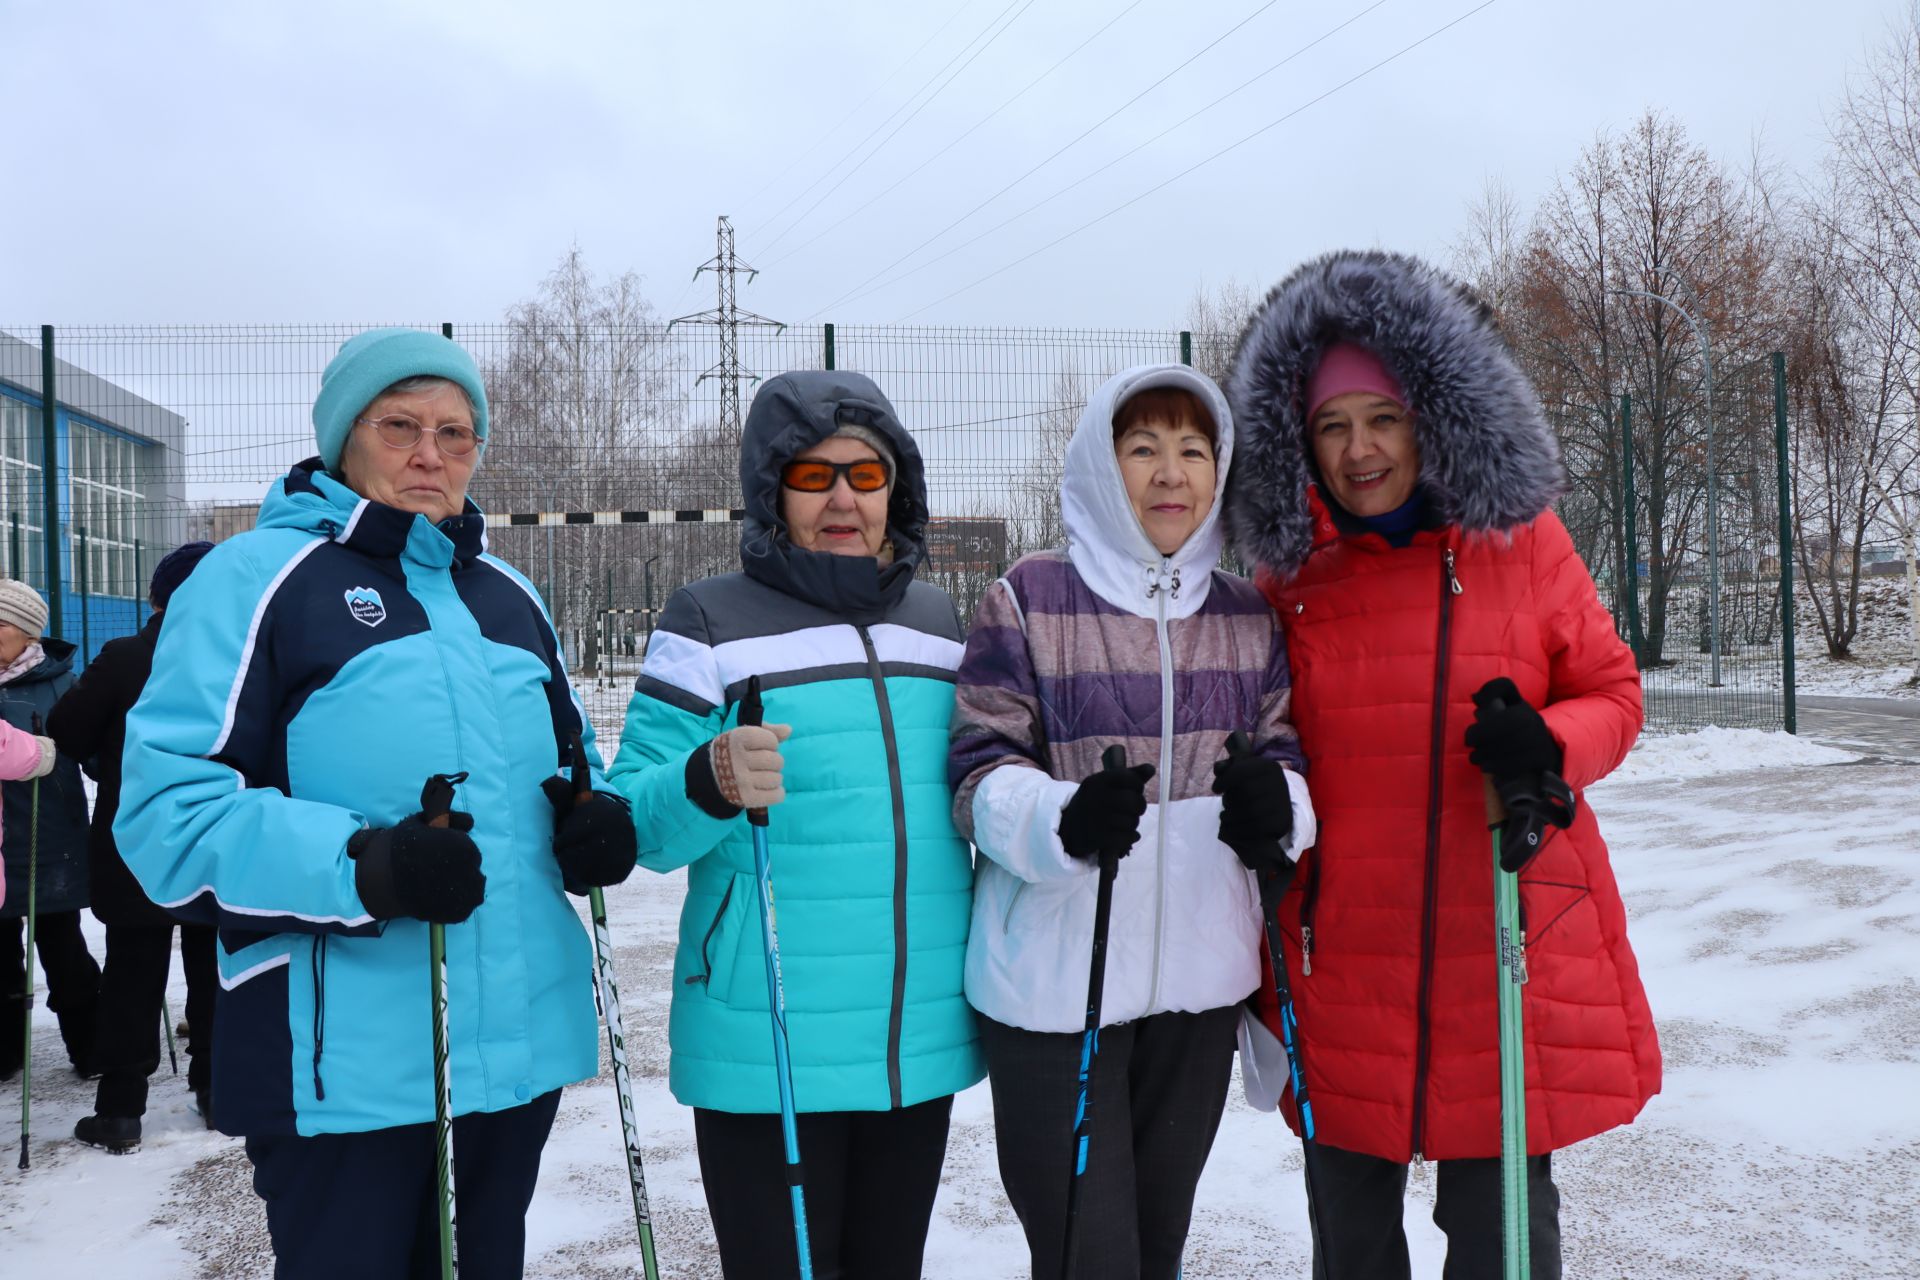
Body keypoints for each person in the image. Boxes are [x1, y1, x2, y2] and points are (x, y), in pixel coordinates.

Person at [114, 328, 637, 1279]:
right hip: (343, 1073)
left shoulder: (509, 591)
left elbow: (574, 762)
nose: (431, 454)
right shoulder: (252, 579)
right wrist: (366, 866)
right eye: (400, 425)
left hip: (511, 1055)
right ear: (341, 438)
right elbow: (168, 819)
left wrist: (586, 820)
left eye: (456, 432)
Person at [1225, 249, 1661, 1279]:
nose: (1361, 448)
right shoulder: (1286, 578)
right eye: (1332, 425)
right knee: (1352, 1242)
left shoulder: (1526, 542)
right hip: (1342, 955)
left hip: (1502, 941)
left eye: (1382, 417)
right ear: (1301, 440)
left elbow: (1616, 693)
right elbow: (1254, 736)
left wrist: (1547, 744)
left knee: (1505, 1238)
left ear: (1430, 413)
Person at [609, 370, 983, 1279]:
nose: (845, 499)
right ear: (773, 492)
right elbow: (630, 824)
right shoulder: (709, 619)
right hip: (770, 1034)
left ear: (900, 488)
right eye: (814, 478)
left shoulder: (937, 622)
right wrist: (707, 779)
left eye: (867, 474)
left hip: (913, 1033)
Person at [948, 365, 1314, 1280]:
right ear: (1102, 465)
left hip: (1196, 986)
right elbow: (978, 767)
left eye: (1192, 449)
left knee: (1156, 1247)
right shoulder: (1030, 598)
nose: (1169, 472)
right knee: (1087, 1253)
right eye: (1142, 447)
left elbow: (1284, 753)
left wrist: (1282, 806)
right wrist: (1060, 820)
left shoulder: (1246, 615)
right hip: (1055, 987)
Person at [52, 540, 220, 1153]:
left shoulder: (126, 657)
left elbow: (67, 733)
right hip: (214, 833)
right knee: (213, 964)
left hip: (137, 841)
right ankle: (217, 1089)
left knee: (133, 969)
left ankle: (121, 1109)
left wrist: (110, 761)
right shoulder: (235, 659)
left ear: (157, 597)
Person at [0, 578, 100, 1082]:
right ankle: (3, 1051)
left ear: (26, 634)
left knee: (65, 953)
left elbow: (93, 748)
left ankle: (92, 1045)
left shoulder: (62, 682)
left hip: (47, 839)